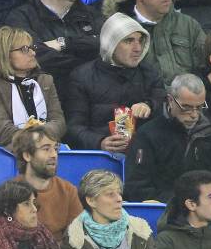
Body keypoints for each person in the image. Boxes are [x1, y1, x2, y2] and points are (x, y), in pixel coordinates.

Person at [63, 13, 165, 154]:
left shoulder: (149, 73)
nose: (138, 48)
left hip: (143, 154)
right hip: (100, 157)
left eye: (140, 41)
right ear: (111, 44)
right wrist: (100, 142)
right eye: (129, 41)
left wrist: (149, 105)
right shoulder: (82, 76)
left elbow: (165, 105)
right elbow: (74, 127)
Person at [125, 73, 211, 202]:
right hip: (163, 208)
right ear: (170, 100)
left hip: (203, 207)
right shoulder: (147, 135)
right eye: (186, 107)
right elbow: (137, 187)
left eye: (199, 107)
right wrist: (182, 202)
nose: (194, 115)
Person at [0, 26, 65, 148]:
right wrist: (36, 139)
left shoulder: (45, 80)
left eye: (32, 48)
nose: (33, 53)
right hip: (11, 150)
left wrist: (41, 137)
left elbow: (59, 122)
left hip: (48, 146)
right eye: (24, 49)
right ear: (4, 54)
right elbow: (1, 131)